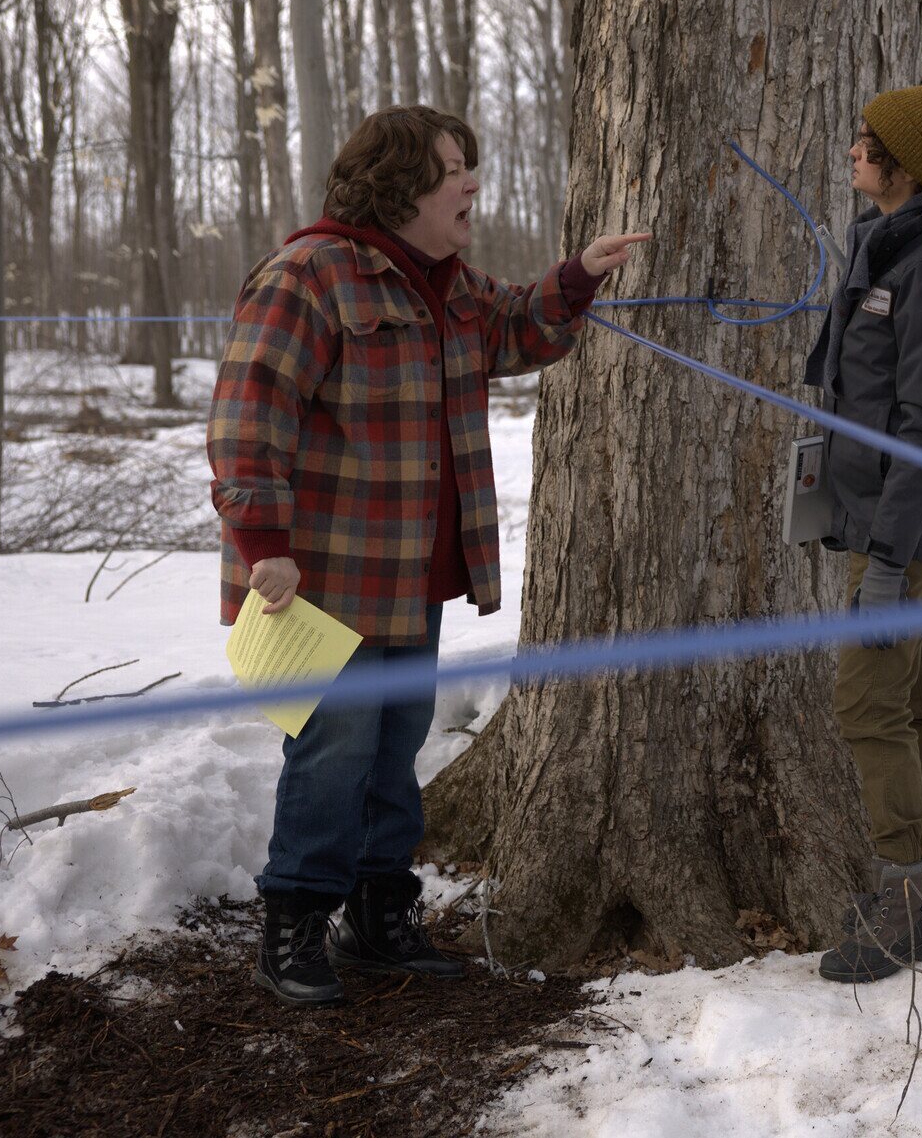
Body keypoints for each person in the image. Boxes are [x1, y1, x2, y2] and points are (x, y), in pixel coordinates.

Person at [207, 104, 648, 1006]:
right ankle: (292, 923)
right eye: (454, 167)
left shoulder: (446, 282)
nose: (471, 182)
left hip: (411, 580)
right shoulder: (311, 275)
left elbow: (518, 330)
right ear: (400, 184)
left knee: (394, 749)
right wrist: (263, 545)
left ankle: (379, 912)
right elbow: (248, 419)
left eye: (469, 164)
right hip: (321, 581)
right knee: (332, 754)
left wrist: (578, 276)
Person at [803, 78, 922, 983]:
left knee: (868, 700)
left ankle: (905, 899)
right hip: (886, 518)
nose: (852, 150)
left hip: (905, 527)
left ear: (903, 165)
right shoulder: (887, 250)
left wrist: (887, 556)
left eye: (865, 141)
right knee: (919, 690)